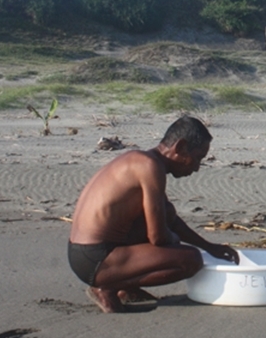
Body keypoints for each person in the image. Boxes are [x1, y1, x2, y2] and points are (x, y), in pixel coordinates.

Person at [68, 115, 239, 312]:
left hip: (83, 254)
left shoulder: (140, 160)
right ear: (180, 148)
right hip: (96, 258)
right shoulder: (150, 167)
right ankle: (107, 287)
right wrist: (175, 241)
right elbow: (157, 237)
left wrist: (210, 247)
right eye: (197, 158)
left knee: (168, 219)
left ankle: (125, 287)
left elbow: (169, 219)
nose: (197, 167)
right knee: (191, 260)